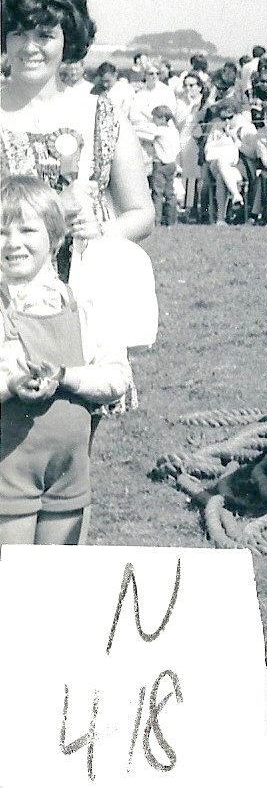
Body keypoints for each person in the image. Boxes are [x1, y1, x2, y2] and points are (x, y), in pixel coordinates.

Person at [0, 176, 133, 545]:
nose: (13, 242)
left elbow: (116, 377)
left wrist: (66, 376)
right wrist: (11, 385)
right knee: (10, 585)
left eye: (27, 229)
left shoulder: (82, 303)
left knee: (59, 583)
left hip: (68, 472)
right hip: (7, 470)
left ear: (54, 237)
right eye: (1, 231)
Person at [0, 0, 155, 272]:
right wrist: (55, 208)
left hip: (87, 294)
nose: (30, 47)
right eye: (19, 33)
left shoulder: (104, 116)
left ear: (66, 39)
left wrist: (102, 236)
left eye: (44, 35)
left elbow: (141, 213)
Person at [146, 106, 182, 227]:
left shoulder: (160, 130)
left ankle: (156, 220)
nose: (153, 121)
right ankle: (171, 221)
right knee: (170, 193)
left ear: (162, 119)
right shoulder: (174, 131)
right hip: (171, 164)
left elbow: (147, 135)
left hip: (160, 164)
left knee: (157, 193)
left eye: (155, 118)